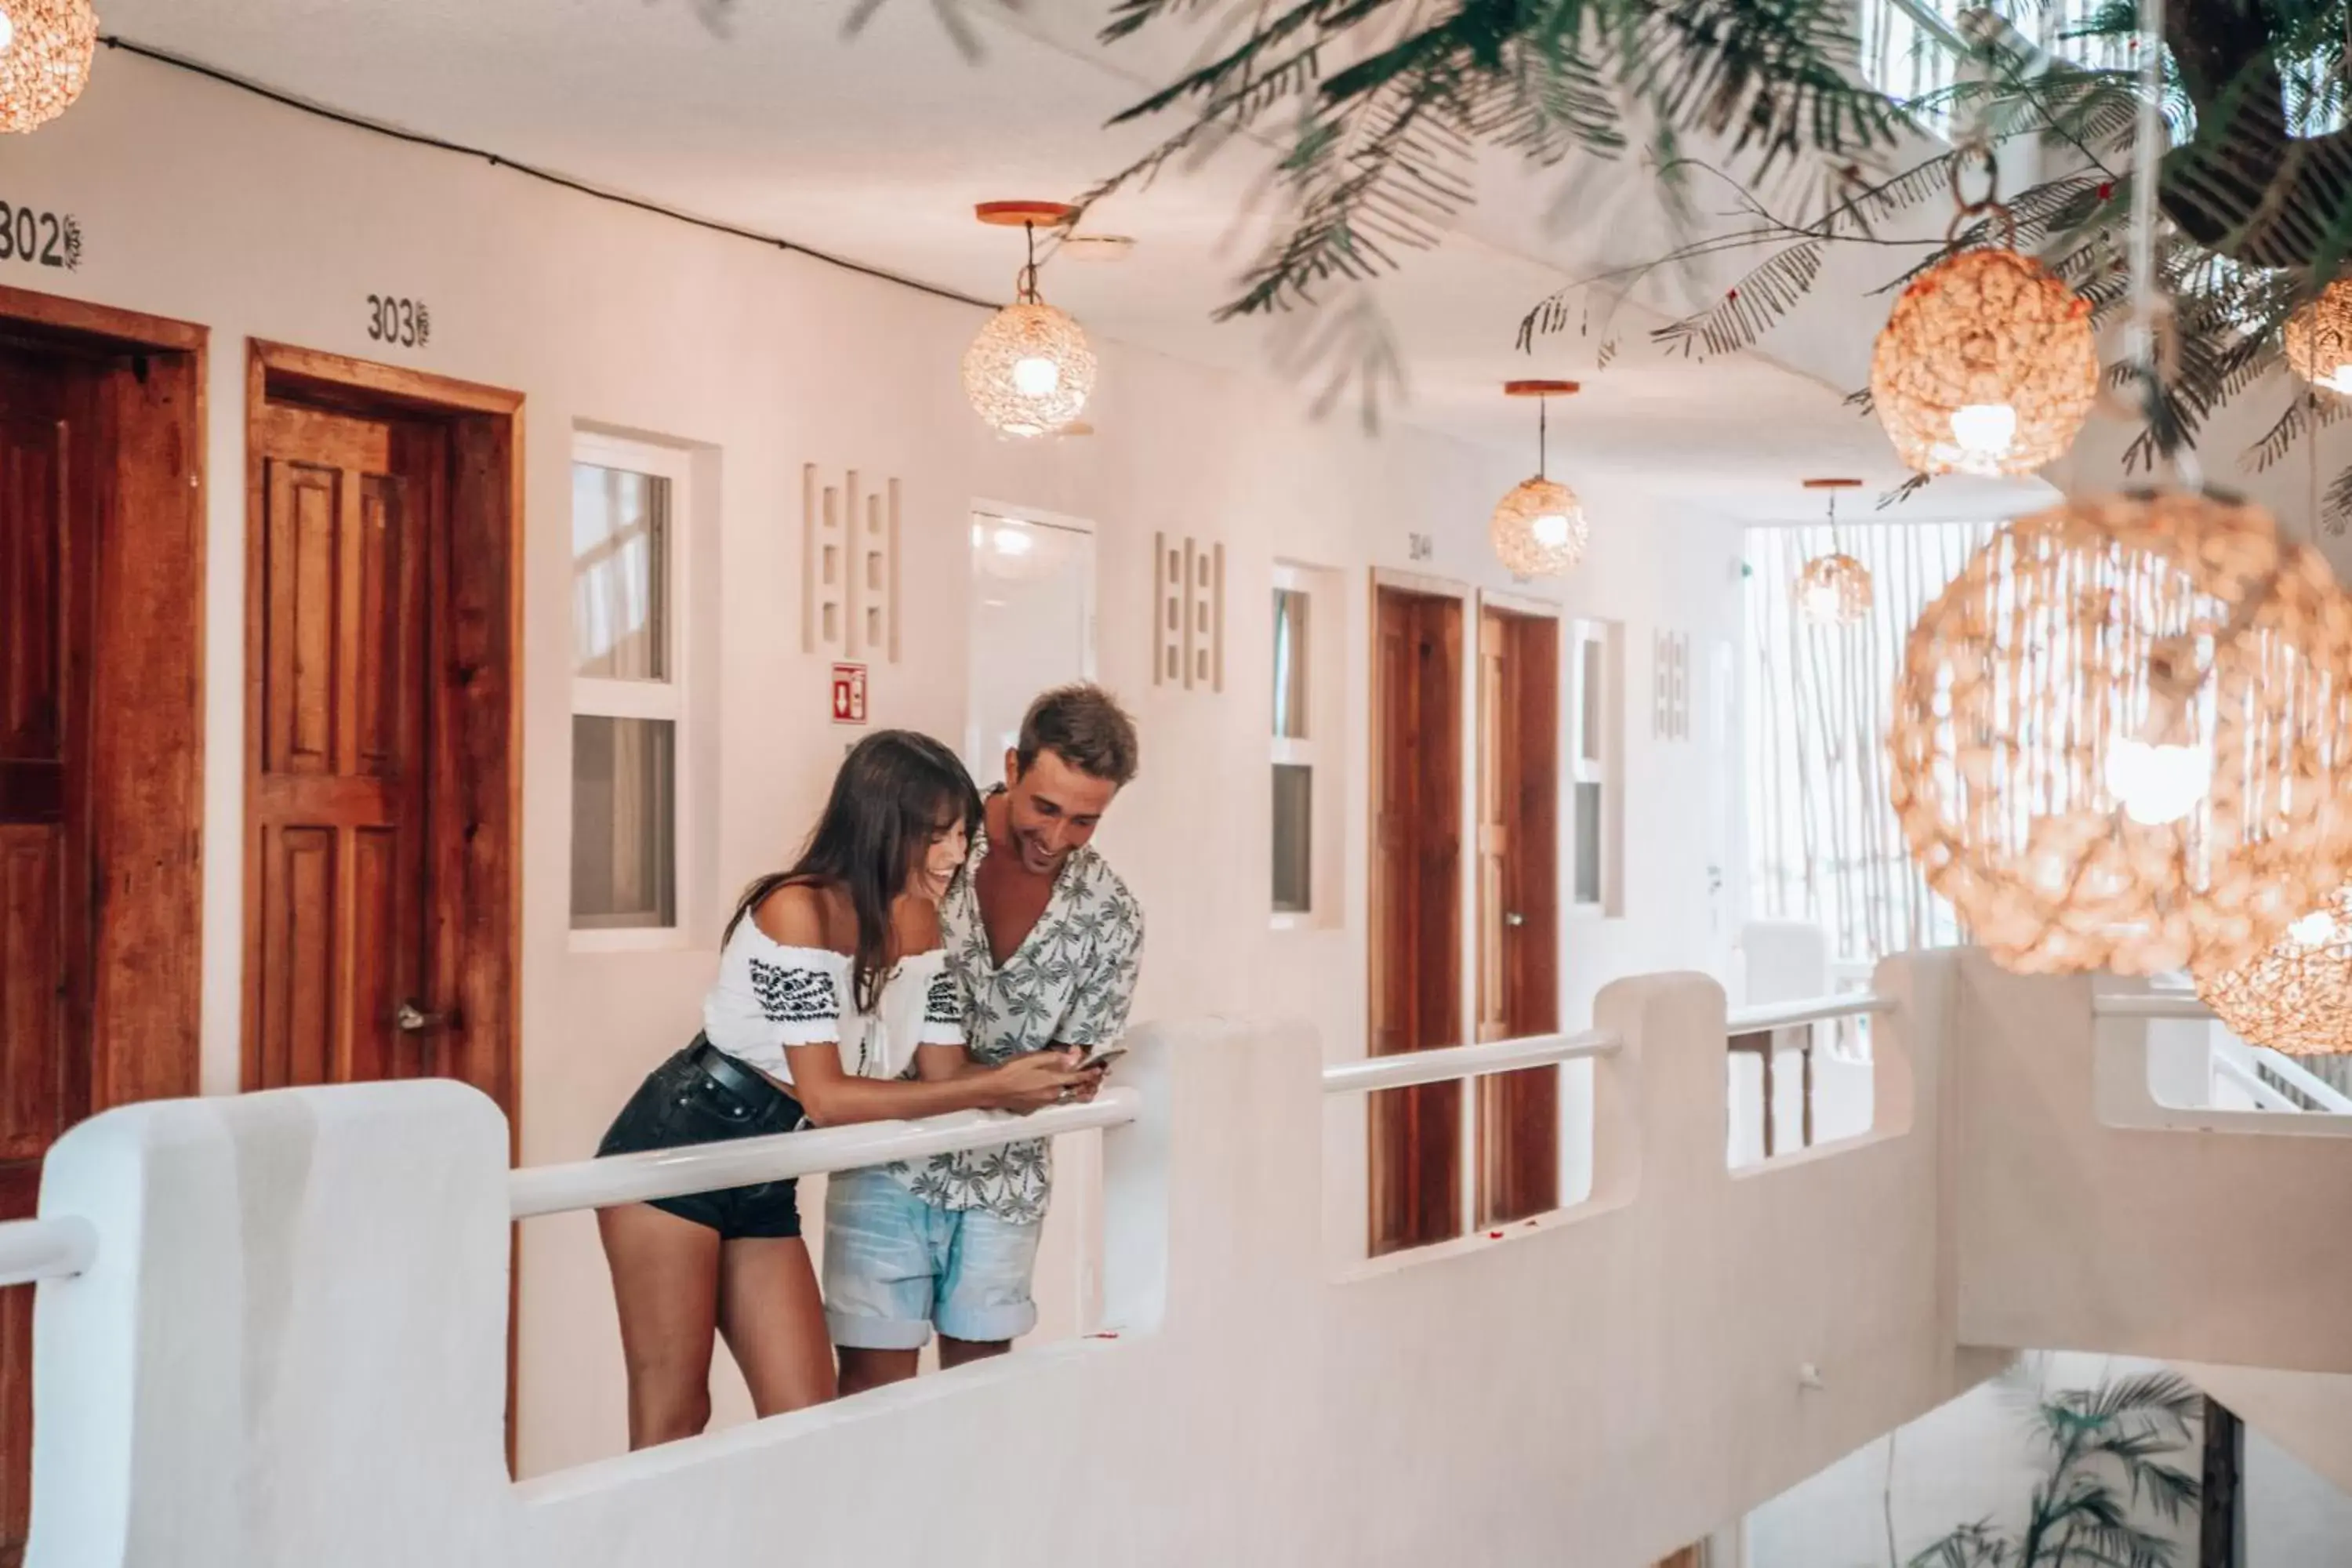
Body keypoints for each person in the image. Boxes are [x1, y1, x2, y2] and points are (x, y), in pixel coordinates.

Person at [593, 730, 1095, 1448]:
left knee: (811, 1424)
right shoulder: (792, 911)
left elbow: (944, 1074)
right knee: (674, 1417)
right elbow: (827, 1097)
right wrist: (993, 1086)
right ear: (880, 826)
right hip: (674, 1148)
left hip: (765, 1171)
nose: (957, 854)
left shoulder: (920, 920)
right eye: (938, 836)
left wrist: (1029, 1081)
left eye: (961, 833)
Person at [828, 684, 1144, 1394]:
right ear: (1012, 764)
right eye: (1045, 807)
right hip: (887, 1165)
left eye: (1085, 822)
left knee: (975, 1412)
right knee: (870, 1412)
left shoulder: (1112, 913)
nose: (1056, 838)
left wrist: (1070, 1078)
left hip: (1007, 1186)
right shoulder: (925, 842)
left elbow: (1082, 1055)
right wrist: (1005, 1079)